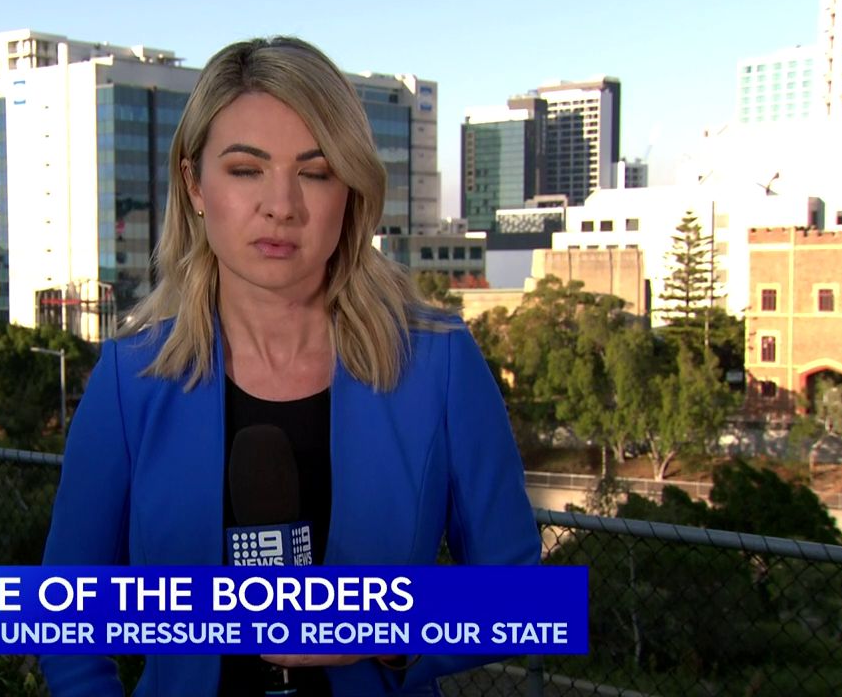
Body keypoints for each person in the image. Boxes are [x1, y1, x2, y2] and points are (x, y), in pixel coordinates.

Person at [41, 36, 539, 697]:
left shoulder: (439, 363)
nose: (281, 205)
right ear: (194, 185)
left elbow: (521, 598)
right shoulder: (130, 382)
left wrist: (386, 632)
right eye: (246, 169)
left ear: (350, 191)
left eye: (316, 171)